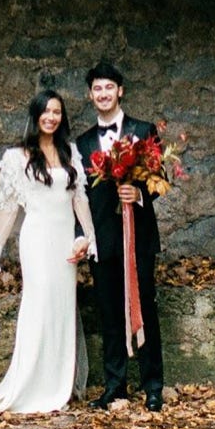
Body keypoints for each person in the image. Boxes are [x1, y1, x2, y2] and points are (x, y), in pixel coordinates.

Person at [0, 89, 98, 415]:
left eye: (57, 111)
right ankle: (28, 385)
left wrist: (88, 237)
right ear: (36, 116)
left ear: (62, 117)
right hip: (36, 240)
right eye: (46, 111)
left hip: (64, 244)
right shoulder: (17, 157)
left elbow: (79, 200)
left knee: (60, 309)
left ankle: (55, 383)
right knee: (39, 306)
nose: (51, 117)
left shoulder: (70, 152)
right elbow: (10, 208)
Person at [74, 62, 166, 411]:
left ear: (120, 91)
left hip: (138, 237)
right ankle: (115, 386)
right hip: (104, 238)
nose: (103, 94)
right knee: (109, 312)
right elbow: (79, 195)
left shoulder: (144, 131)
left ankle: (153, 386)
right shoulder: (81, 143)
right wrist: (82, 236)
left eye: (109, 87)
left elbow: (161, 180)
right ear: (90, 95)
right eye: (97, 89)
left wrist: (139, 195)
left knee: (145, 309)